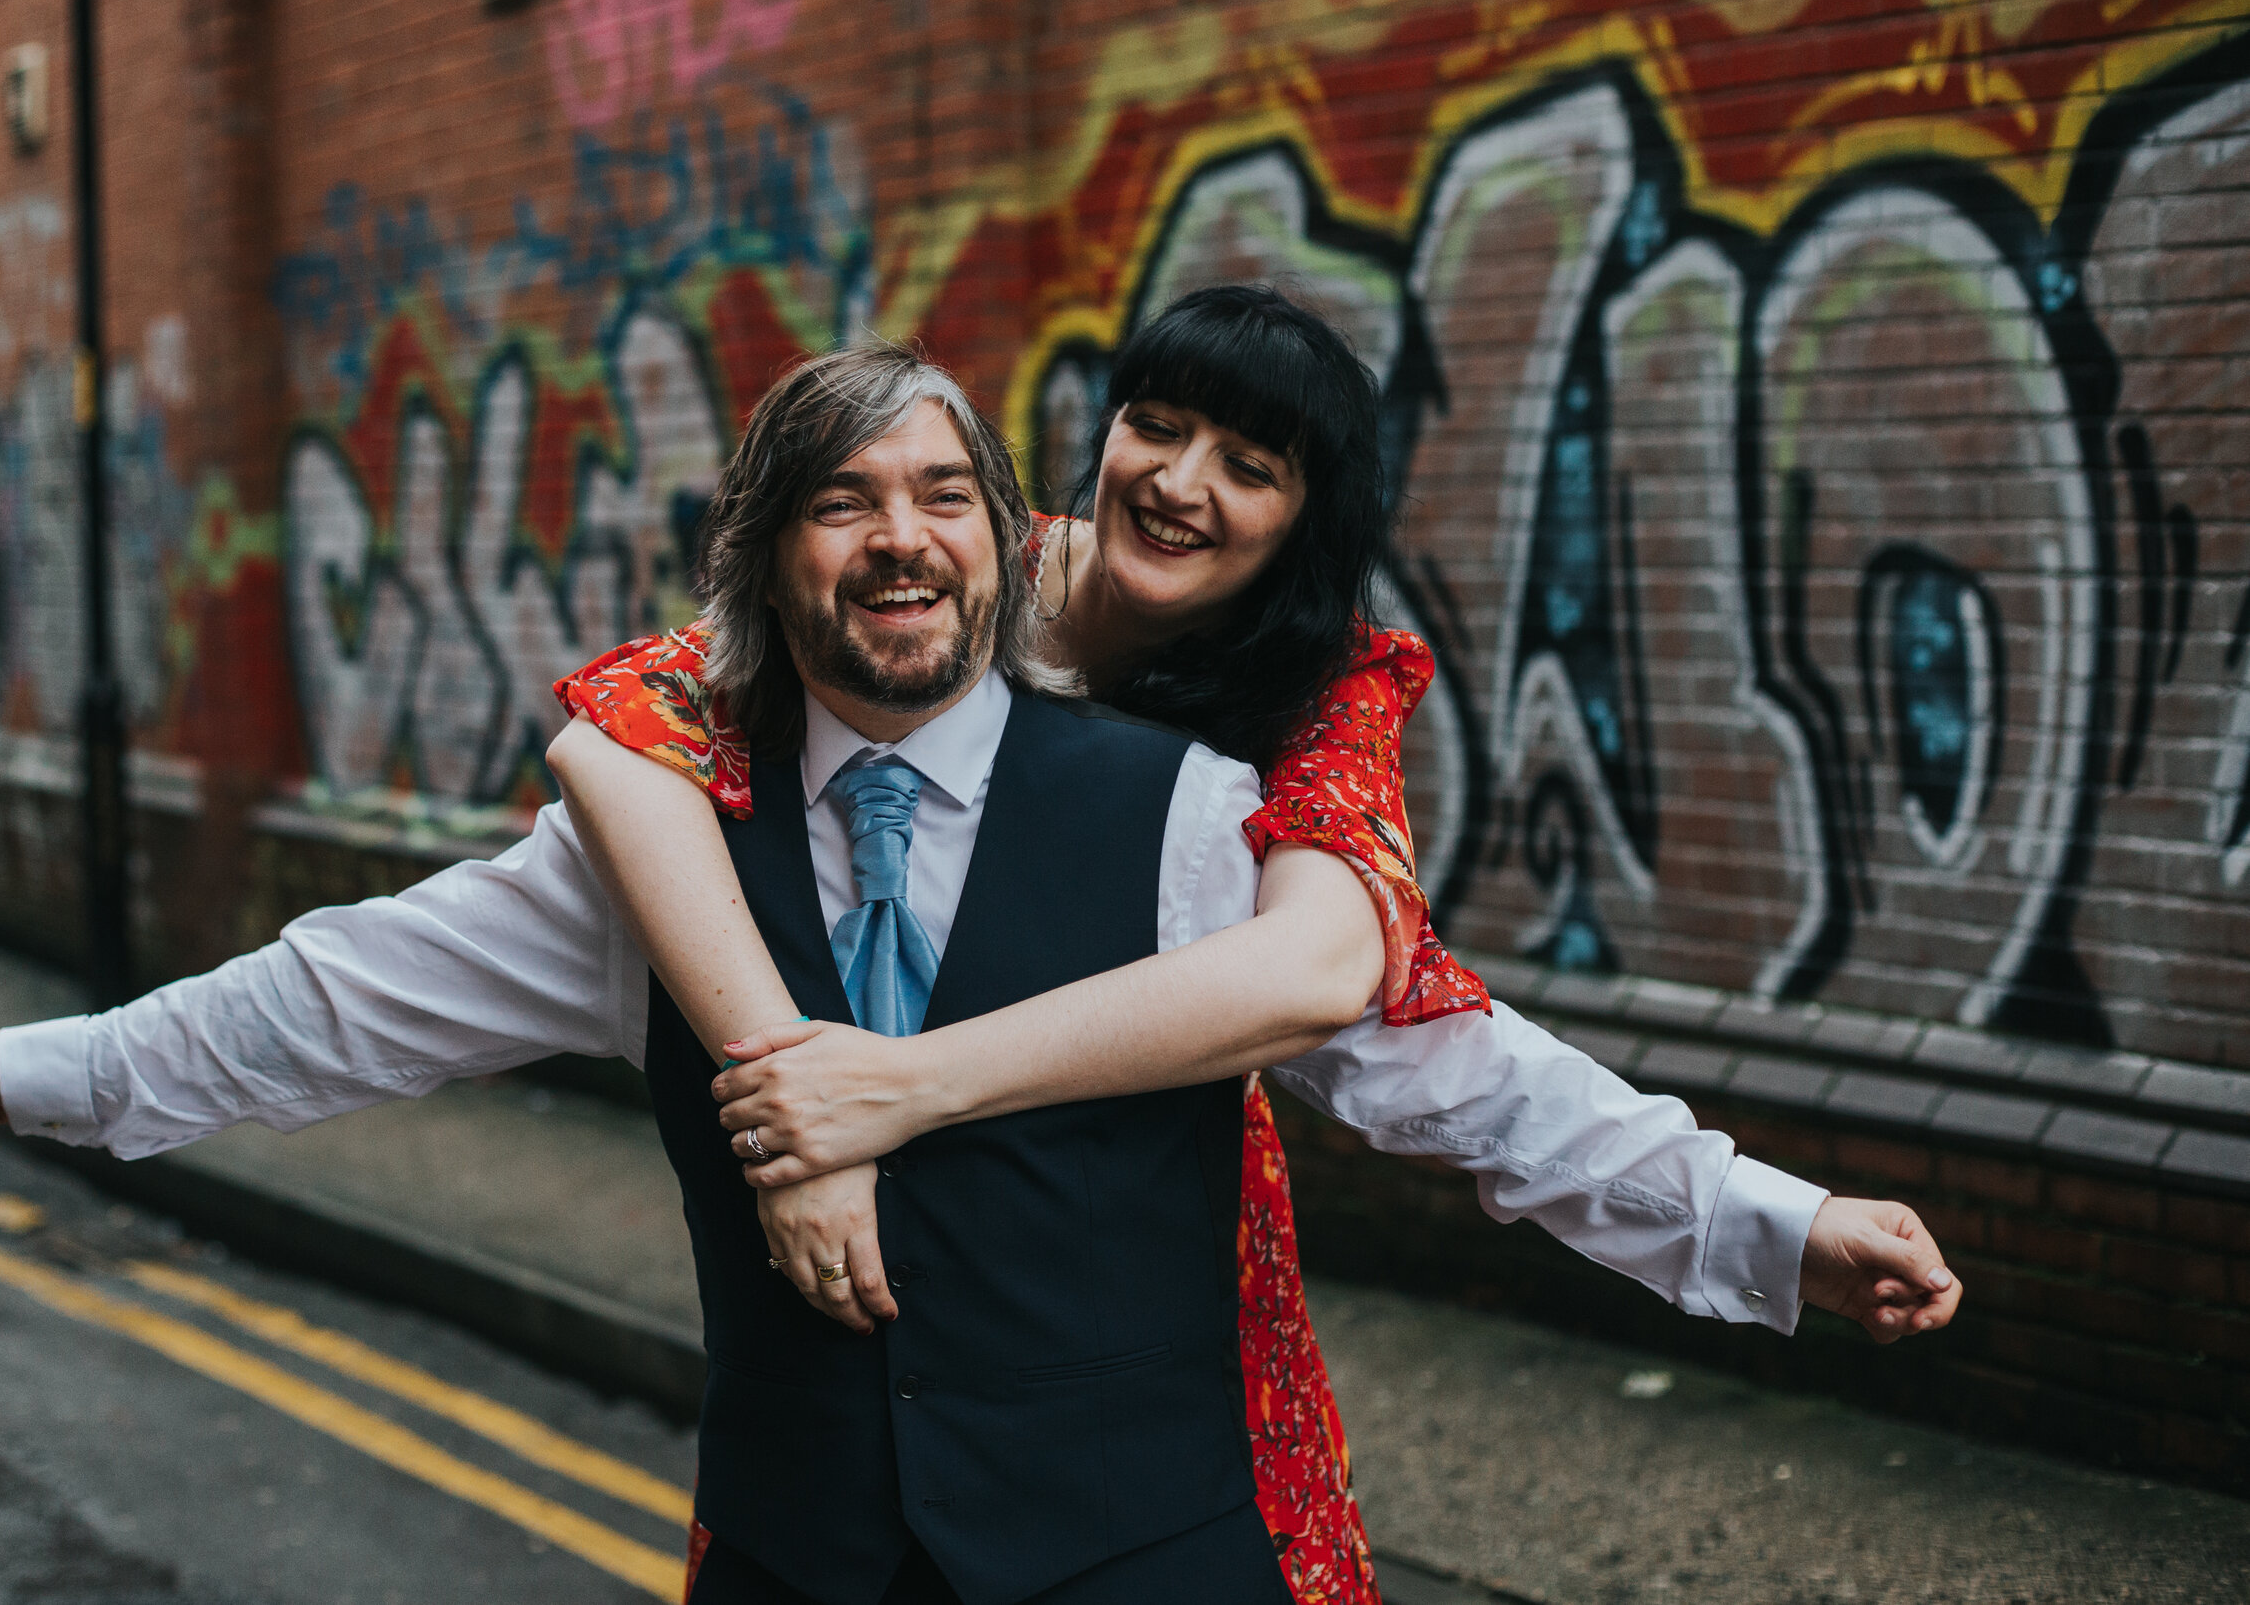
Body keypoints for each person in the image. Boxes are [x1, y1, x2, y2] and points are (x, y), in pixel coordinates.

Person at [0, 344, 1957, 1605]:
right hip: (806, 1563)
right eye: (839, 503)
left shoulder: (1179, 807)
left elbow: (1456, 1068)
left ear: (1004, 539)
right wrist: (60, 1071)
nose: (897, 540)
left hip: (1143, 1561)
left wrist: (1765, 1226)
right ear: (764, 563)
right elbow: (337, 997)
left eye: (941, 496)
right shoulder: (649, 840)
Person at [540, 292, 1961, 1598]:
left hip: (1141, 1220)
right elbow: (627, 721)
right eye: (1157, 426)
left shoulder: (1322, 698)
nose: (1180, 481)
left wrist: (1763, 1221)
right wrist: (801, 1102)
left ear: (1305, 521)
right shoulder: (947, 576)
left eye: (1251, 465)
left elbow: (1381, 1008)